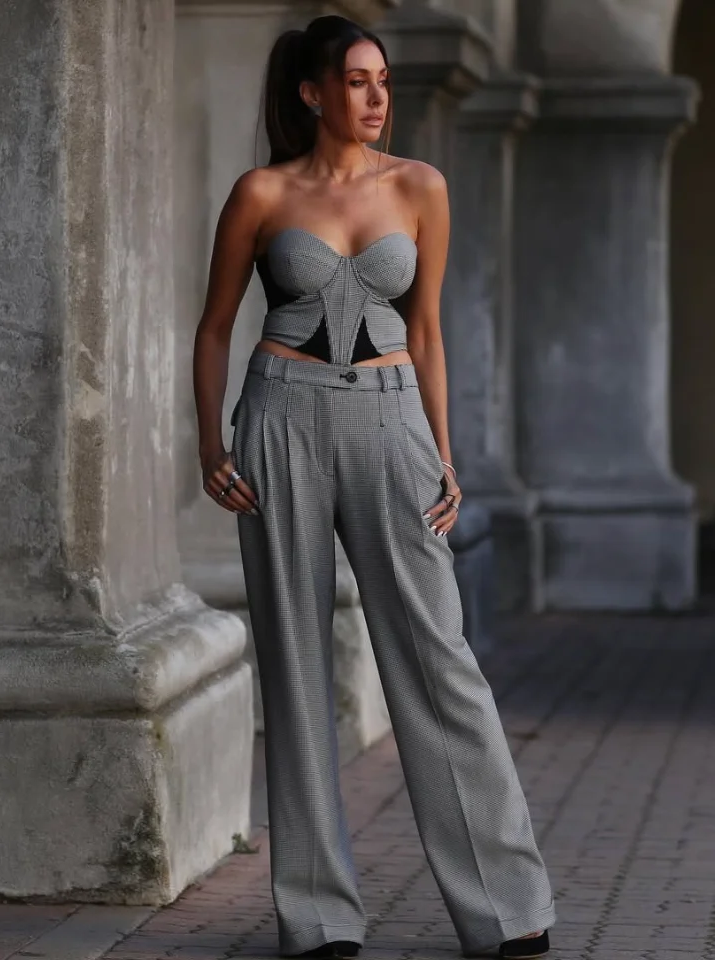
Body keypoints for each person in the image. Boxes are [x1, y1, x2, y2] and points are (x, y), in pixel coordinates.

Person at [192, 14, 556, 960]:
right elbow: (215, 326)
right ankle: (316, 920)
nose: (376, 95)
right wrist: (208, 444)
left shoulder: (420, 187)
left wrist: (445, 454)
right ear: (313, 92)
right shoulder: (261, 192)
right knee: (298, 666)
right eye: (356, 80)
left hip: (393, 422)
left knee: (439, 656)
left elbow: (426, 330)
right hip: (280, 422)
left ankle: (508, 909)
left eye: (382, 79)